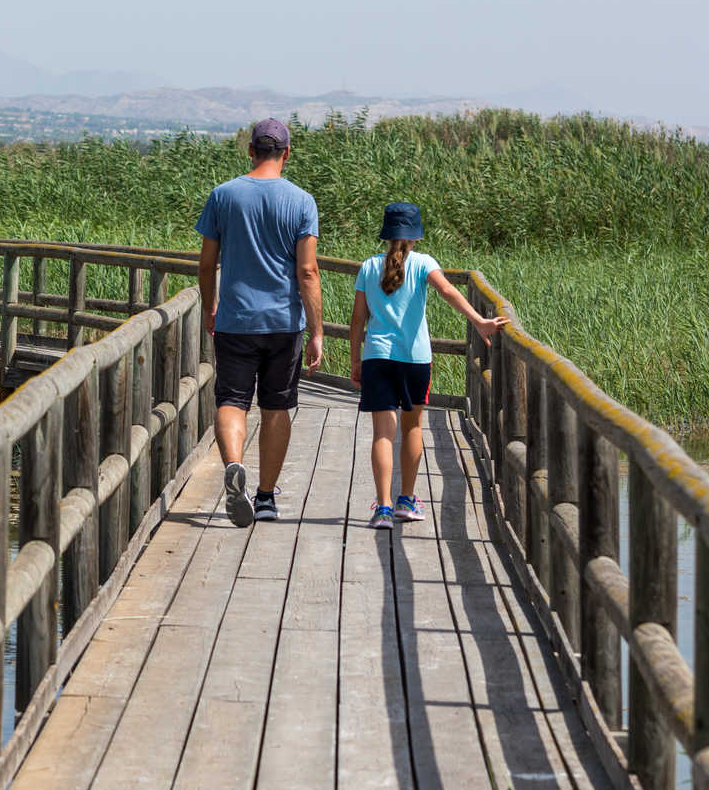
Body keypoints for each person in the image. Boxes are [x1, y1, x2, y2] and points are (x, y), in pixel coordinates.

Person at [349, 201, 507, 529]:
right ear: (416, 236)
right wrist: (480, 321)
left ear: (387, 234)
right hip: (415, 359)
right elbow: (448, 290)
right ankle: (407, 499)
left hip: (377, 357)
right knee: (412, 428)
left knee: (382, 433)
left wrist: (355, 359)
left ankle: (383, 508)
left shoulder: (369, 266)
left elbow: (357, 320)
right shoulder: (423, 263)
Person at [196, 118, 323, 527]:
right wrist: (317, 330)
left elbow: (206, 263)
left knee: (232, 401)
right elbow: (308, 272)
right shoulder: (302, 202)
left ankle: (234, 465)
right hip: (284, 324)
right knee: (277, 407)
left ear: (250, 150)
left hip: (235, 320)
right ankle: (266, 497)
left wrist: (209, 307)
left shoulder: (223, 196)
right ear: (286, 153)